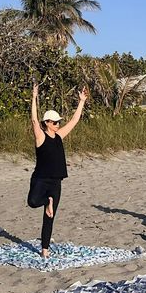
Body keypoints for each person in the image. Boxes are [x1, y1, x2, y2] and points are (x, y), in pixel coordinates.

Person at [28, 83, 87, 258]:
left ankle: (44, 250)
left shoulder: (59, 136)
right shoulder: (41, 136)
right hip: (40, 179)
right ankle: (47, 200)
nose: (57, 124)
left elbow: (74, 121)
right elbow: (33, 120)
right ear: (46, 123)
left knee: (49, 217)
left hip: (56, 181)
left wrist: (81, 101)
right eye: (54, 122)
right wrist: (33, 98)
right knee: (32, 202)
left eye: (58, 122)